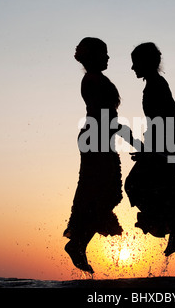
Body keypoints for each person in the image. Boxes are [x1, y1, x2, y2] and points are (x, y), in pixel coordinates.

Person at [63, 37, 138, 273]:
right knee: (103, 194)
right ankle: (77, 244)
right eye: (104, 54)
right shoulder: (94, 80)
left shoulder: (96, 79)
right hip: (96, 141)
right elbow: (103, 116)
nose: (108, 58)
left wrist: (127, 137)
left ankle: (78, 244)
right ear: (93, 56)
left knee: (102, 194)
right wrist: (132, 139)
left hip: (98, 140)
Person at [125, 42, 175, 257]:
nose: (133, 68)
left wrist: (153, 151)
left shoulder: (156, 84)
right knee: (162, 188)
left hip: (162, 146)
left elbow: (169, 113)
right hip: (161, 145)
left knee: (136, 185)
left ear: (145, 62)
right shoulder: (155, 83)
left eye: (135, 63)